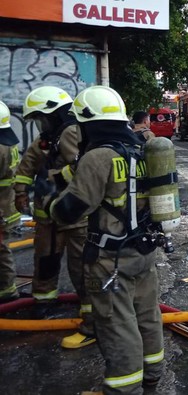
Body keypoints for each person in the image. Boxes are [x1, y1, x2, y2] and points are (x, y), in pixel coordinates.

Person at [48, 86, 165, 393]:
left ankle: (123, 389)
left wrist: (50, 201)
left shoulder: (98, 157)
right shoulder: (142, 150)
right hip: (145, 251)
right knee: (147, 316)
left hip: (111, 259)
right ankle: (153, 374)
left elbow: (70, 211)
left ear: (88, 123)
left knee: (117, 324)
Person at [15, 86, 93, 348]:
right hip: (48, 216)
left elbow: (82, 165)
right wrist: (21, 192)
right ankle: (43, 299)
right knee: (45, 258)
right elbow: (26, 166)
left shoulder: (71, 133)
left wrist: (56, 178)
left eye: (42, 118)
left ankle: (90, 310)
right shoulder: (47, 139)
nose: (40, 124)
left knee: (80, 264)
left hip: (73, 214)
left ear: (54, 114)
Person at [0, 101, 20, 304]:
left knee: (1, 249)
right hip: (7, 203)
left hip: (1, 206)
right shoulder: (9, 142)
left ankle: (6, 289)